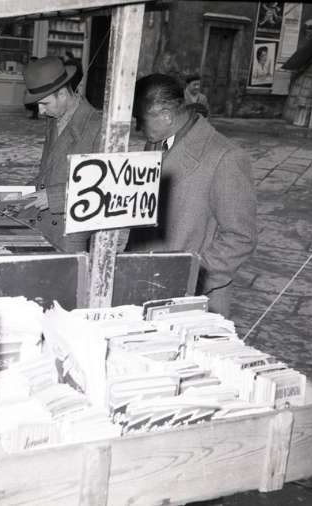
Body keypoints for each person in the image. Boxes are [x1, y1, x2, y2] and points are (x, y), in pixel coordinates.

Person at [130, 73, 257, 317]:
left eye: (140, 119)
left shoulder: (226, 157)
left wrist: (191, 277)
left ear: (166, 115)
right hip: (145, 283)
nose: (137, 127)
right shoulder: (156, 143)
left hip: (191, 299)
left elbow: (241, 237)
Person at [21, 56, 101, 253]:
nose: (40, 111)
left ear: (63, 94)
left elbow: (103, 189)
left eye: (44, 103)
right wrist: (14, 195)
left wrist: (54, 197)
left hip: (70, 235)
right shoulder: (55, 119)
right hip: (43, 225)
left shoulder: (97, 126)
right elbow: (49, 171)